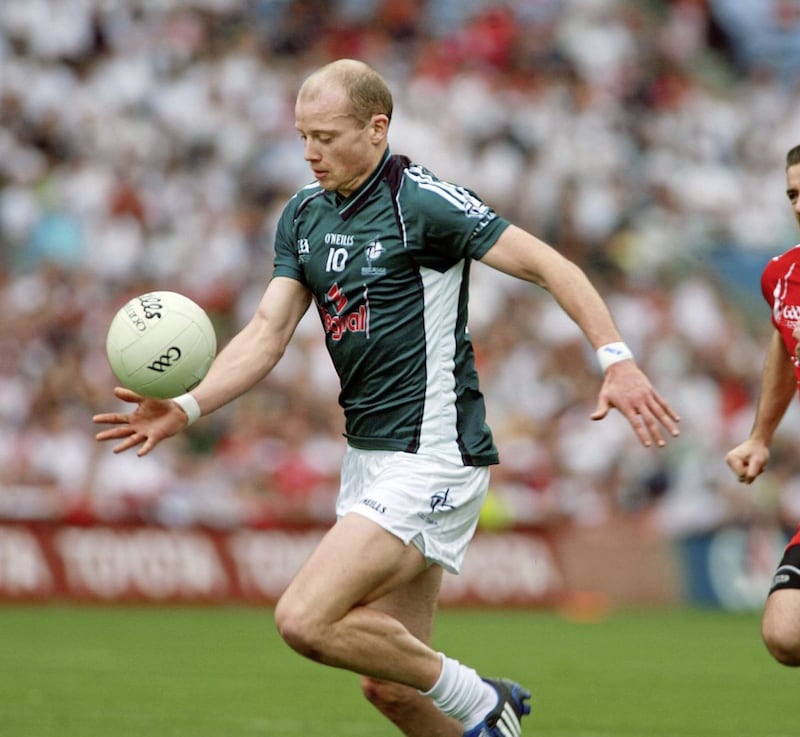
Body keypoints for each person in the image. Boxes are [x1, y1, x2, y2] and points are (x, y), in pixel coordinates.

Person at [94, 59, 681, 736]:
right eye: (302, 136)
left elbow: (551, 265)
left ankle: (481, 698)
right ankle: (479, 713)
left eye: (327, 135)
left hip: (432, 454)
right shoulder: (303, 214)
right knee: (391, 686)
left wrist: (618, 359)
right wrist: (186, 405)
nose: (310, 152)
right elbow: (265, 332)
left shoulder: (423, 203)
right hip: (369, 461)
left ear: (378, 129)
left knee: (304, 618)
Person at [725, 143, 800, 668]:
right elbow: (784, 339)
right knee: (785, 632)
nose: (799, 203)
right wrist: (761, 435)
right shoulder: (782, 277)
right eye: (794, 193)